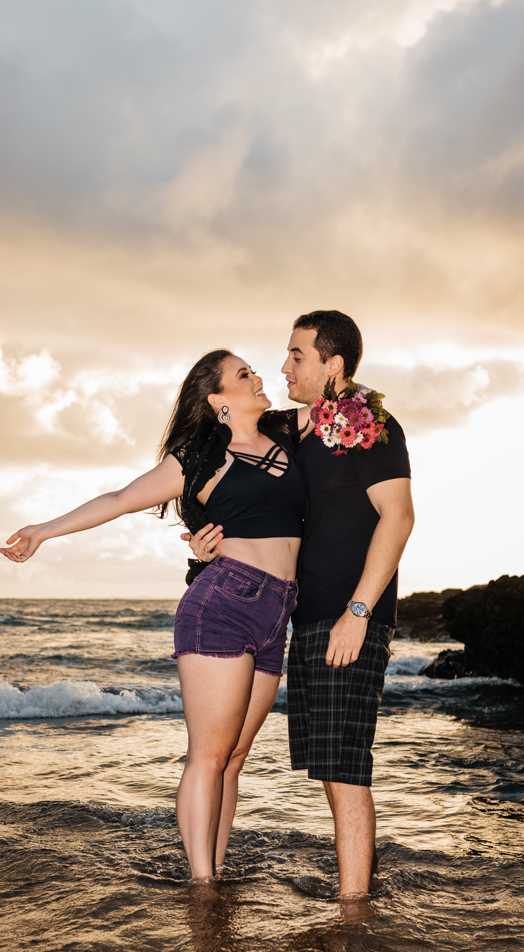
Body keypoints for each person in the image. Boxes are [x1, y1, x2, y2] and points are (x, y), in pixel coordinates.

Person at [0, 349, 307, 883]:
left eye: (254, 370)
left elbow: (343, 406)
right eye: (243, 374)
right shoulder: (198, 456)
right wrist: (42, 531)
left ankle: (217, 867)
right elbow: (121, 498)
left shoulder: (286, 436)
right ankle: (201, 883)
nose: (258, 377)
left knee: (234, 757)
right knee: (209, 756)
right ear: (217, 401)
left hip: (279, 609)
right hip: (224, 605)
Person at [187, 312, 415, 899]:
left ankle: (354, 910)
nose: (284, 367)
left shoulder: (376, 427)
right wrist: (203, 537)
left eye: (296, 356)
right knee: (327, 767)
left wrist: (359, 613)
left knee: (344, 769)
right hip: (301, 618)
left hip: (350, 618)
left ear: (332, 365)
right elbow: (239, 484)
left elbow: (399, 517)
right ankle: (351, 898)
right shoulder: (288, 430)